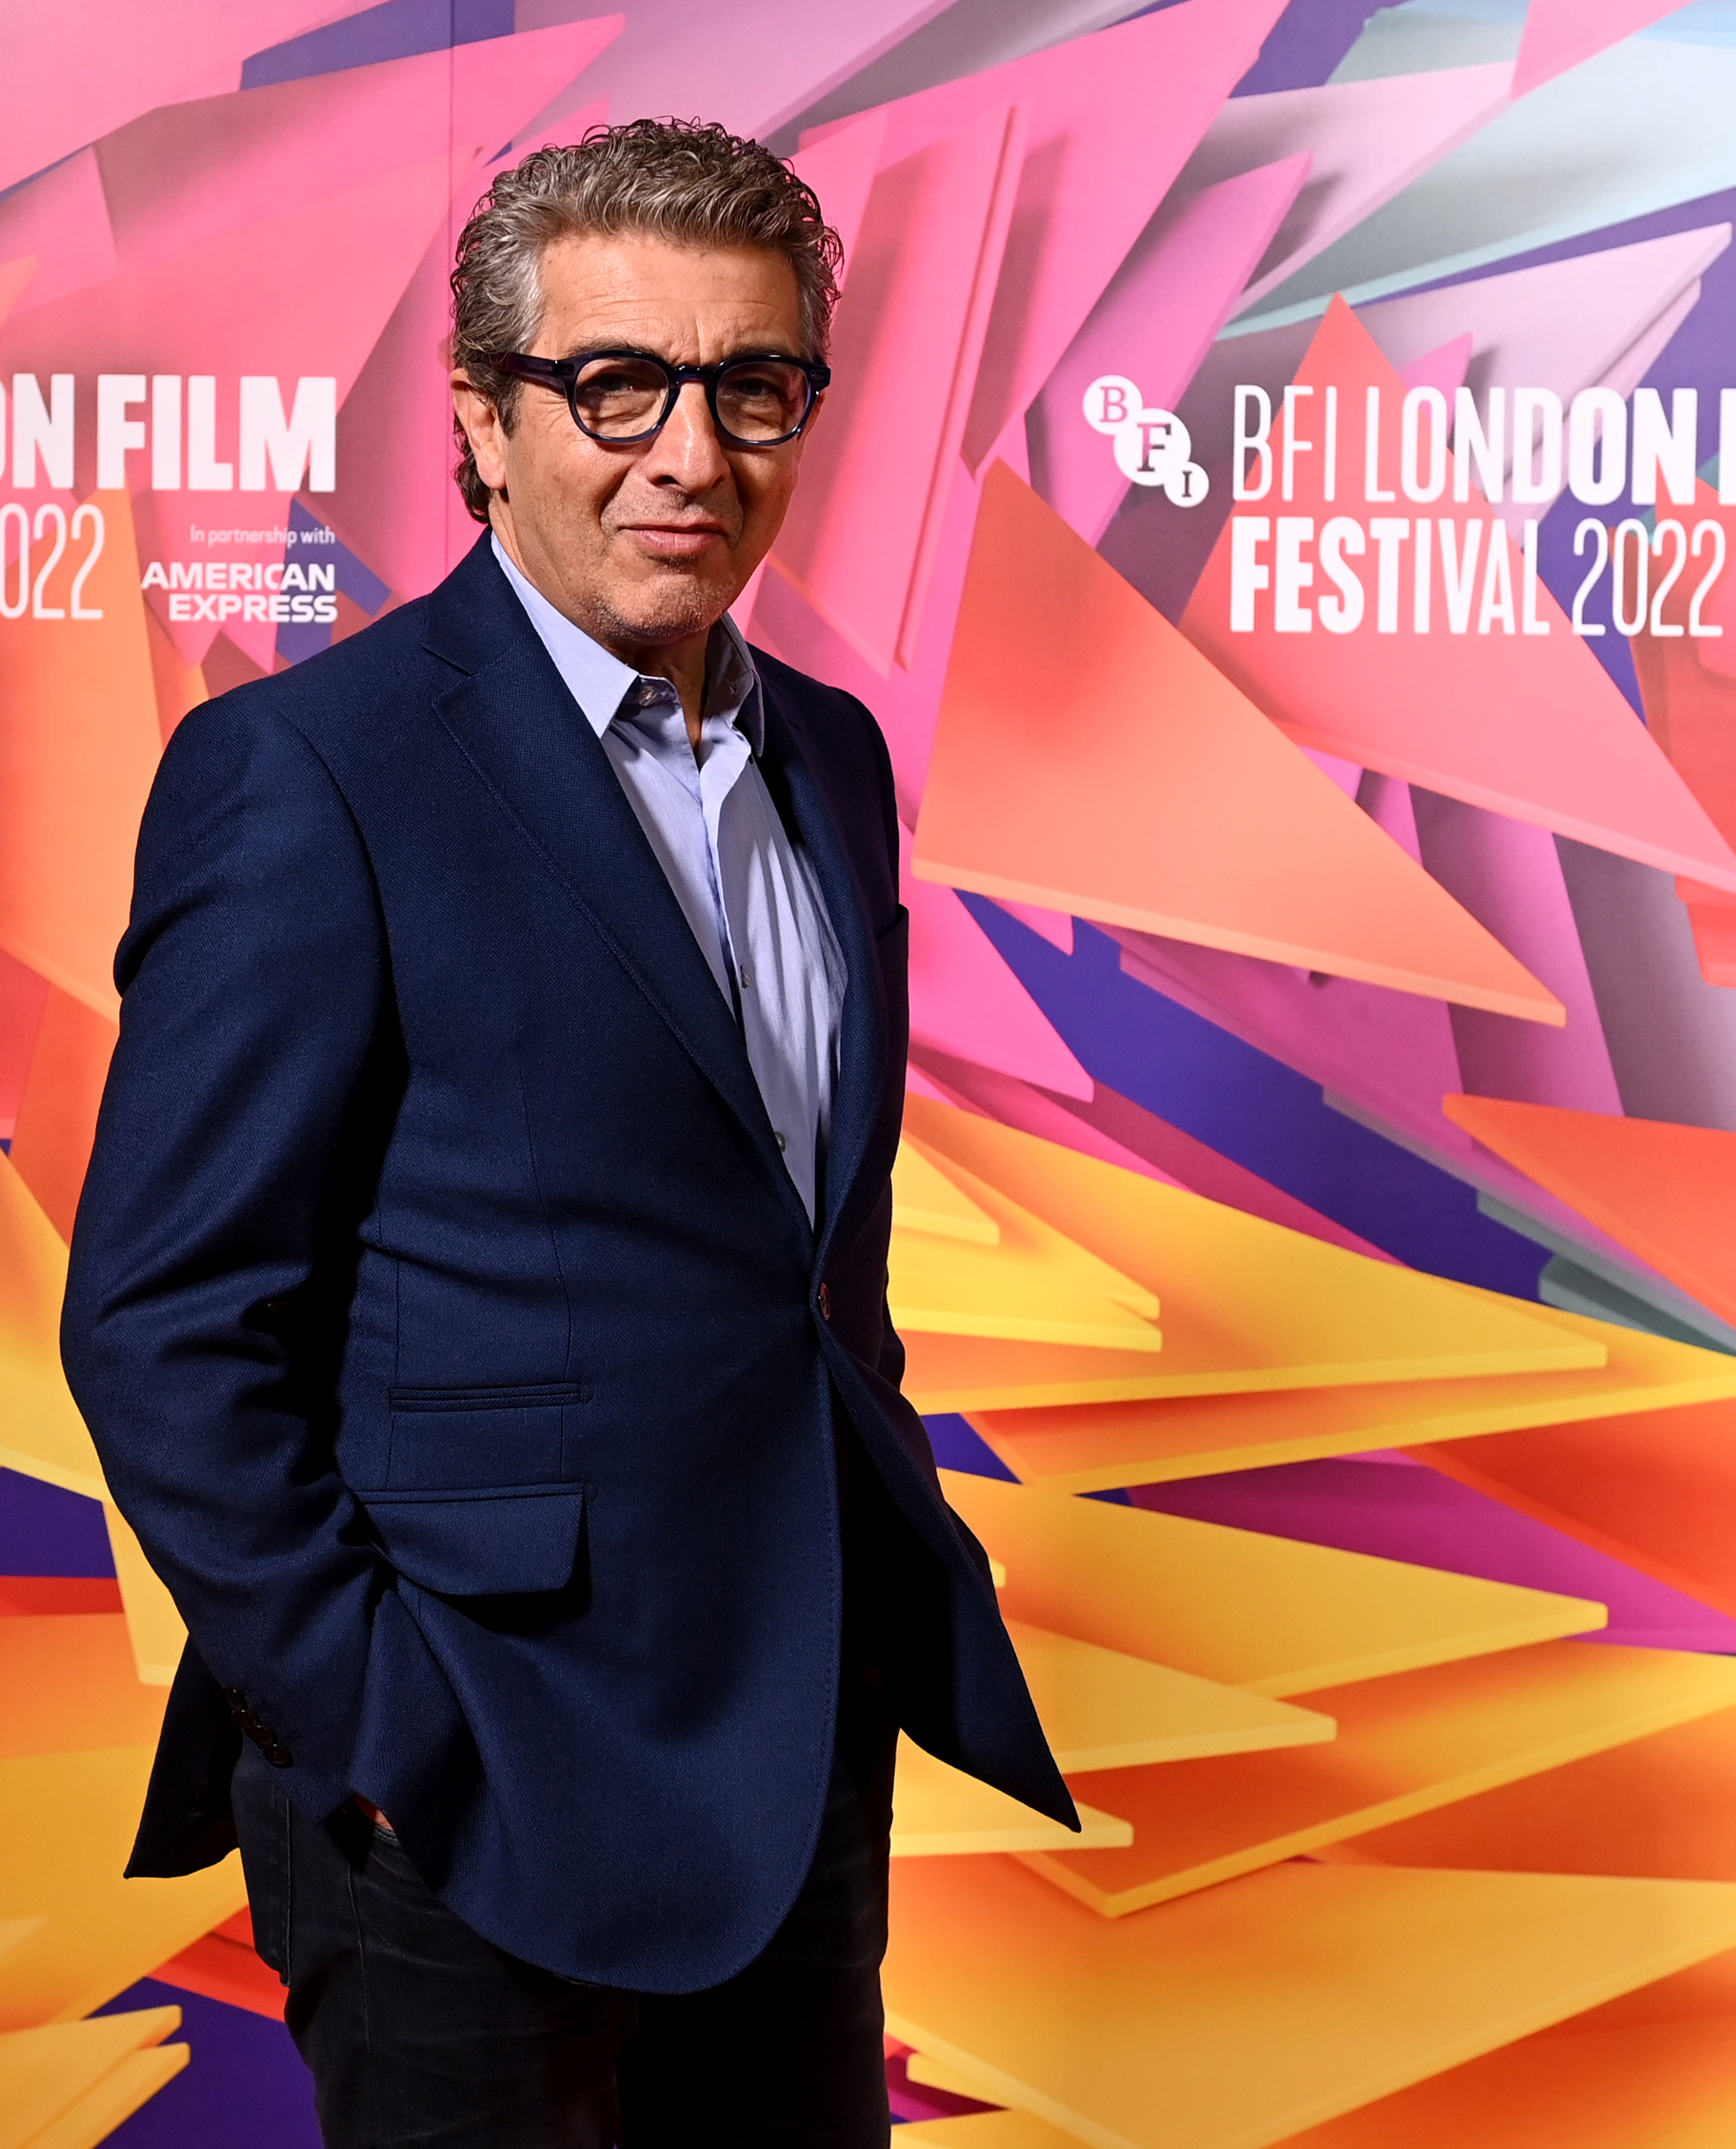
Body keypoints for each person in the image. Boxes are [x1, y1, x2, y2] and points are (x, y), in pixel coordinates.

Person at [61, 117, 1072, 2147]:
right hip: (467, 1785)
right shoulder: (305, 778)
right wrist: (374, 1725)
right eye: (614, 384)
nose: (687, 453)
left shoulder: (834, 761)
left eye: (749, 385)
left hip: (785, 1765)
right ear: (482, 422)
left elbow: (793, 1270)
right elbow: (162, 1320)